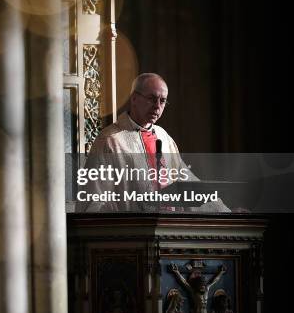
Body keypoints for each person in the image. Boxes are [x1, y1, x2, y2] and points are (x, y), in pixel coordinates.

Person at [79, 73, 230, 212]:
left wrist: (226, 212)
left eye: (162, 101)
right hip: (133, 234)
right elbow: (92, 200)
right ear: (134, 98)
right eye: (152, 98)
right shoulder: (110, 140)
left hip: (170, 229)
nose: (157, 106)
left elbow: (188, 182)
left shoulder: (164, 138)